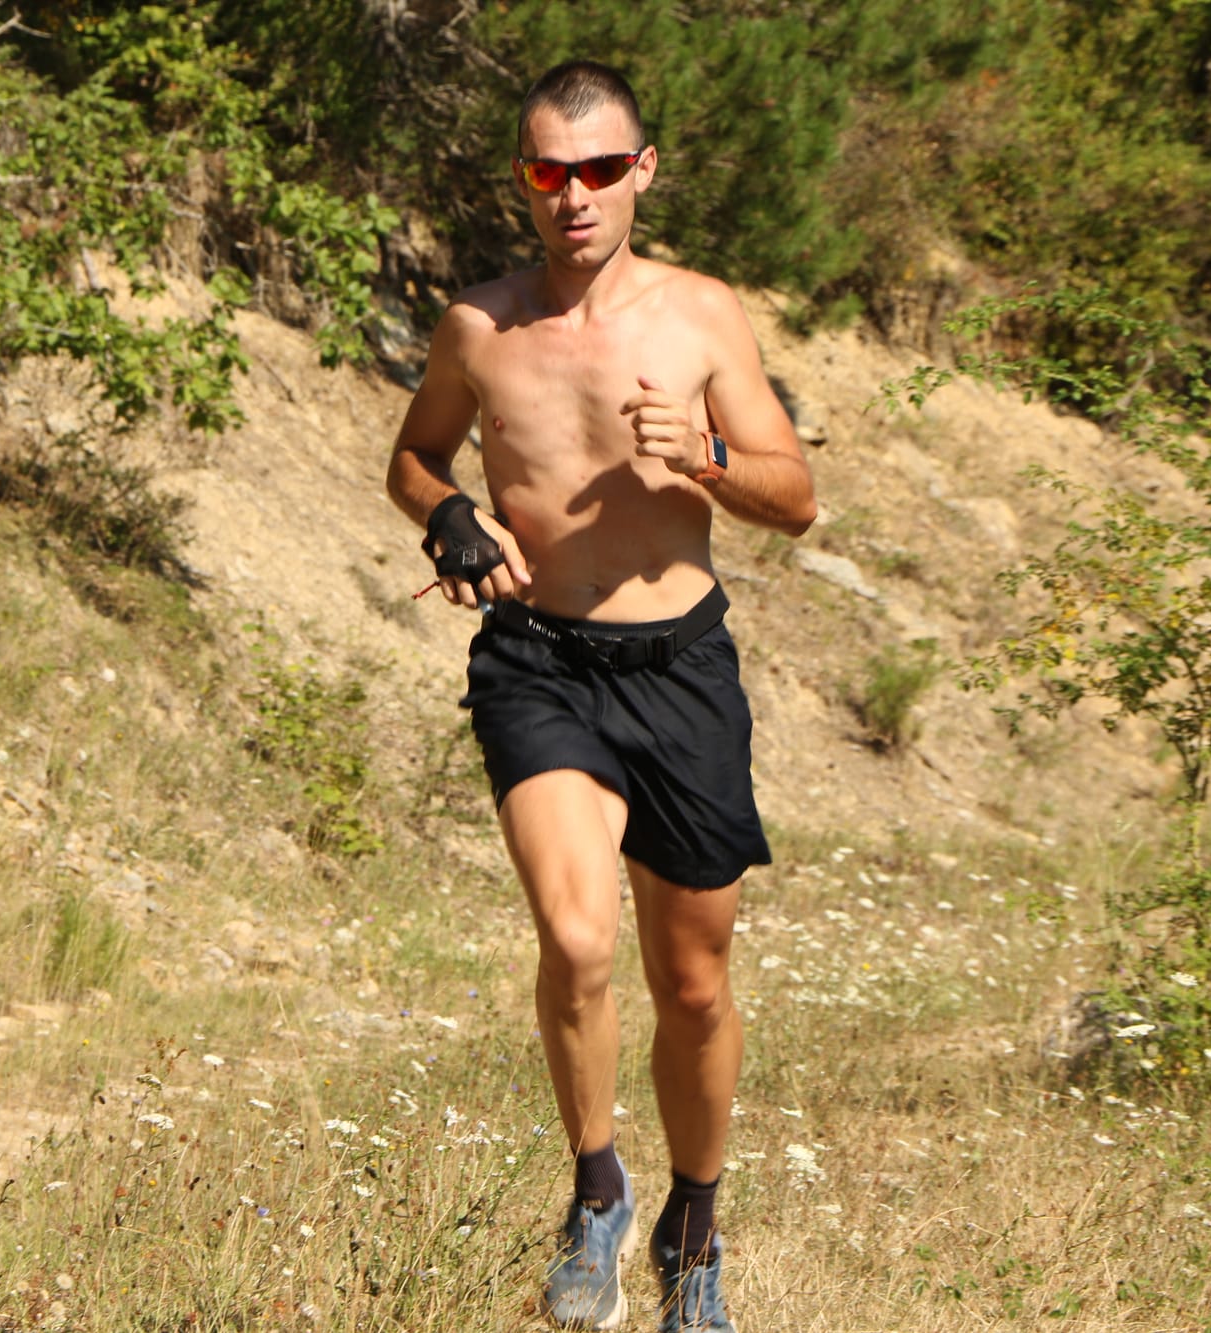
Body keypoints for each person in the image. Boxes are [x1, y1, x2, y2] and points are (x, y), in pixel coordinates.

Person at [384, 59, 818, 1333]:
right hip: (538, 663)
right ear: (522, 180)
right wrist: (450, 517)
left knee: (691, 984)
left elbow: (794, 500)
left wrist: (714, 457)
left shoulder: (700, 318)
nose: (569, 195)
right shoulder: (480, 325)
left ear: (640, 172)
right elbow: (410, 457)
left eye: (594, 170)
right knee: (574, 940)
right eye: (543, 171)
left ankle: (694, 1227)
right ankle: (594, 1195)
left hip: (678, 665)